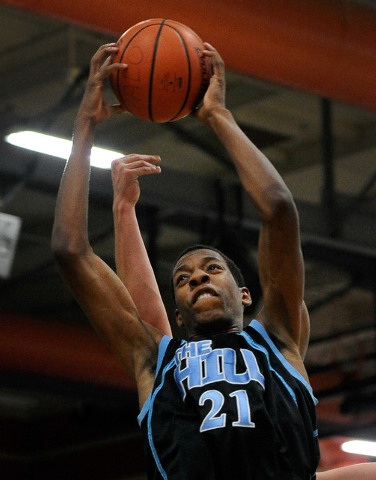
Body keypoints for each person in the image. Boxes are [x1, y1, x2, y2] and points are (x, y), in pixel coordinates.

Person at [52, 43, 375, 479]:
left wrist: (217, 116)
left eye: (212, 268)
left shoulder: (277, 339)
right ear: (178, 317)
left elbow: (279, 209)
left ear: (245, 295)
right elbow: (70, 250)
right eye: (183, 279)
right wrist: (85, 123)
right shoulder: (156, 360)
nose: (197, 277)